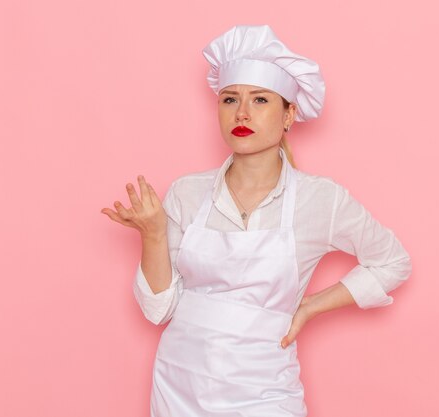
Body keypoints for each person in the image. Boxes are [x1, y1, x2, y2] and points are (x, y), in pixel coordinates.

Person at [100, 24, 412, 417]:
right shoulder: (186, 193)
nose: (242, 113)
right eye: (230, 99)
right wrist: (153, 233)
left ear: (289, 115)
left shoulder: (321, 199)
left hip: (264, 389)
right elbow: (159, 310)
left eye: (261, 100)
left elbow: (393, 261)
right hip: (179, 384)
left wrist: (311, 305)